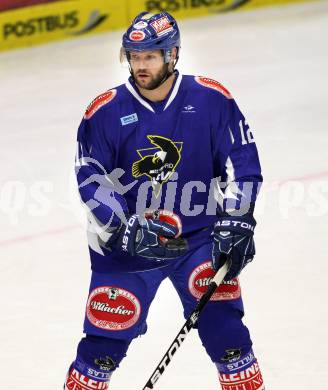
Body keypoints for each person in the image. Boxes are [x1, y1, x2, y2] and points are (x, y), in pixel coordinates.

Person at [64, 11, 265, 390]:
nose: (140, 65)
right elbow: (91, 177)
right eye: (134, 56)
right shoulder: (104, 112)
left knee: (229, 340)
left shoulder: (212, 99)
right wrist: (122, 229)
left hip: (200, 238)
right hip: (128, 246)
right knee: (101, 349)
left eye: (150, 56)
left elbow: (243, 163)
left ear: (172, 54)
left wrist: (237, 219)